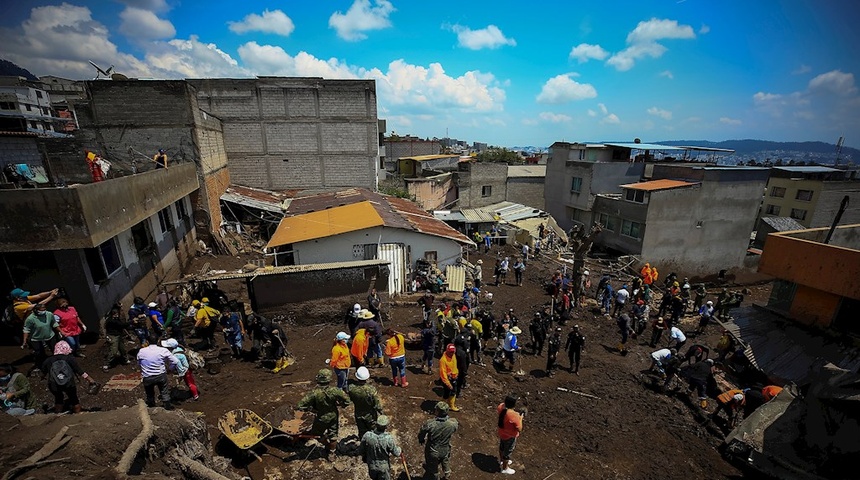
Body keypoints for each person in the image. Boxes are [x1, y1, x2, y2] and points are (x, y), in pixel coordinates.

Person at [298, 369, 351, 459]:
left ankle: (326, 444)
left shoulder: (314, 393)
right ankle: (332, 452)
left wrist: (312, 409)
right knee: (333, 434)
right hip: (334, 415)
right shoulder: (336, 391)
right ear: (329, 379)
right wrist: (341, 404)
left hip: (321, 417)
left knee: (316, 433)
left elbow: (300, 405)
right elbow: (347, 401)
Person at [41, 340, 97, 413]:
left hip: (54, 384)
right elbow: (79, 371)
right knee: (74, 399)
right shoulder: (69, 358)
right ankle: (78, 415)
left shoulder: (48, 360)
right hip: (69, 383)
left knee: (58, 398)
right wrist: (90, 379)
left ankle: (57, 416)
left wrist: (43, 377)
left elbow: (43, 371)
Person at [137, 333, 179, 410]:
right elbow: (175, 361)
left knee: (150, 394)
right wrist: (170, 369)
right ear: (158, 341)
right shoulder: (163, 350)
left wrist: (143, 371)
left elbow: (139, 363)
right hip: (160, 375)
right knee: (164, 392)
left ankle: (152, 410)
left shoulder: (141, 351)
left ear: (147, 341)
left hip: (147, 376)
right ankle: (167, 408)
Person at [418, 401, 459, 480]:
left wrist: (421, 439)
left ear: (437, 411)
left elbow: (422, 432)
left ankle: (435, 477)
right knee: (445, 459)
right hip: (445, 448)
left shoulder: (431, 424)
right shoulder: (453, 423)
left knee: (433, 467)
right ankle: (447, 473)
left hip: (433, 450)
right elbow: (455, 428)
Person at [359, 415, 401, 480]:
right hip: (383, 467)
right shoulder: (388, 439)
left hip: (372, 465)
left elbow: (361, 450)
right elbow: (397, 453)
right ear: (385, 426)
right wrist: (400, 449)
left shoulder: (367, 435)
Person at [22, 302, 61, 372]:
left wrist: (61, 331)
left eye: (44, 309)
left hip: (49, 336)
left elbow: (54, 323)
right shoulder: (30, 319)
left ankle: (58, 363)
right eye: (42, 310)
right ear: (36, 310)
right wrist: (25, 341)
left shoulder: (49, 314)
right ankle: (40, 365)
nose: (44, 311)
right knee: (39, 353)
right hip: (36, 338)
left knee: (55, 349)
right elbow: (26, 329)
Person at [349, 366, 383, 438]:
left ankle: (363, 446)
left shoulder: (351, 388)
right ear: (367, 377)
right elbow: (376, 403)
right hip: (370, 415)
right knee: (374, 431)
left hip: (358, 414)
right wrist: (381, 411)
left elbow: (350, 399)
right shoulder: (371, 390)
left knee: (362, 432)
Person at [497, 395, 524, 475]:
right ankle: (505, 468)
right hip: (510, 436)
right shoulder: (514, 415)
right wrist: (521, 418)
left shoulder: (501, 407)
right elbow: (519, 429)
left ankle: (501, 460)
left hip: (502, 433)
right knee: (507, 452)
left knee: (502, 447)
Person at [103, 305, 131, 371]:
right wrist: (131, 321)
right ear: (114, 314)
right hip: (113, 336)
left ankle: (125, 359)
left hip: (118, 335)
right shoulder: (111, 321)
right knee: (114, 351)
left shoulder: (115, 319)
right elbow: (121, 325)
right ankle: (106, 364)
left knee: (122, 349)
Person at [439, 344, 460, 411]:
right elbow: (443, 373)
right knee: (446, 394)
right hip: (447, 380)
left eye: (453, 352)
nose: (452, 353)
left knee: (454, 392)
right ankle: (441, 407)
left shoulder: (453, 355)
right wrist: (448, 384)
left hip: (454, 377)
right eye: (451, 352)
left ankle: (451, 405)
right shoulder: (443, 360)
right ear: (447, 351)